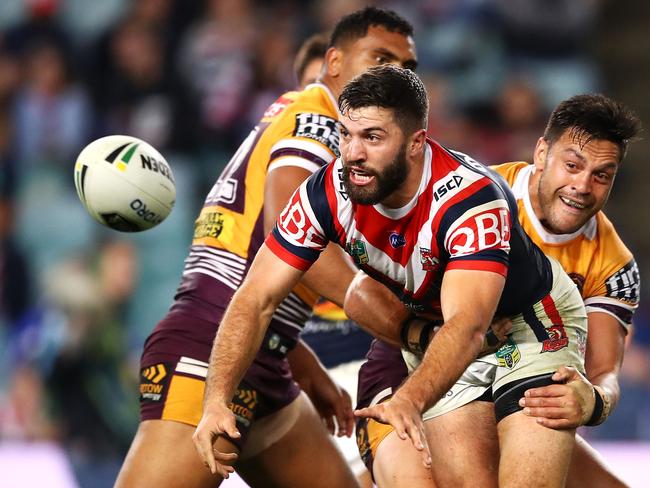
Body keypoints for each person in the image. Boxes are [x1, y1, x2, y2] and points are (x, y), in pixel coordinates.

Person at [193, 64, 589, 487]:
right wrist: (216, 399)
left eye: (373, 138)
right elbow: (256, 298)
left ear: (416, 142)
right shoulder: (325, 192)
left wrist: (410, 399)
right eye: (346, 134)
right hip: (443, 335)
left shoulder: (470, 201)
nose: (353, 154)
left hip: (531, 323)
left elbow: (468, 326)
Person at [115, 7, 418, 488]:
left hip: (266, 357)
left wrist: (302, 362)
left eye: (406, 66)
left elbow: (260, 263)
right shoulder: (321, 120)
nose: (396, 74)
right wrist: (407, 323)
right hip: (211, 348)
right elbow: (291, 236)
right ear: (335, 61)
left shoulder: (301, 114)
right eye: (381, 57)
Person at [348, 93, 641, 487]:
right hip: (408, 373)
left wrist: (594, 401)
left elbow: (606, 373)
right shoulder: (469, 194)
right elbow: (361, 293)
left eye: (601, 175)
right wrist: (428, 336)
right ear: (541, 153)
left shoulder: (613, 263)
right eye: (572, 165)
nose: (582, 186)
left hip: (512, 380)